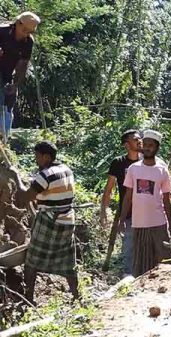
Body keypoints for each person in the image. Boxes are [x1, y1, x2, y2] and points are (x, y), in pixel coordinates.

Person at [100, 130, 171, 275]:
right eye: (142, 143)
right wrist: (112, 216)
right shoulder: (127, 166)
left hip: (157, 219)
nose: (144, 145)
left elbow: (165, 194)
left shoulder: (161, 168)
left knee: (163, 254)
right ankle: (133, 284)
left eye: (149, 144)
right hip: (135, 219)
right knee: (135, 256)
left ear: (157, 147)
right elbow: (119, 193)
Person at [8, 141, 78, 302]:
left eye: (37, 156)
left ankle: (29, 299)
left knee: (32, 261)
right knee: (68, 262)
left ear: (46, 157)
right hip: (68, 221)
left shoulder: (46, 175)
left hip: (50, 222)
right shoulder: (65, 169)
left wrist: (15, 176)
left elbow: (25, 197)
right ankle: (76, 296)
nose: (36, 160)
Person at [119, 130, 171, 277]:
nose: (147, 148)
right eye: (145, 144)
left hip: (158, 222)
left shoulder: (162, 171)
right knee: (142, 265)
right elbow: (127, 197)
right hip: (139, 224)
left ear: (157, 148)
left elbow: (166, 199)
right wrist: (121, 220)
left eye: (151, 145)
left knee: (166, 262)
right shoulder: (133, 169)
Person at [0, 12, 40, 139]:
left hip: (7, 75)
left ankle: (4, 139)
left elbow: (23, 64)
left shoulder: (28, 41)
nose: (25, 34)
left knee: (8, 103)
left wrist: (16, 84)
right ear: (17, 23)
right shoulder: (2, 31)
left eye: (29, 32)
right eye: (24, 30)